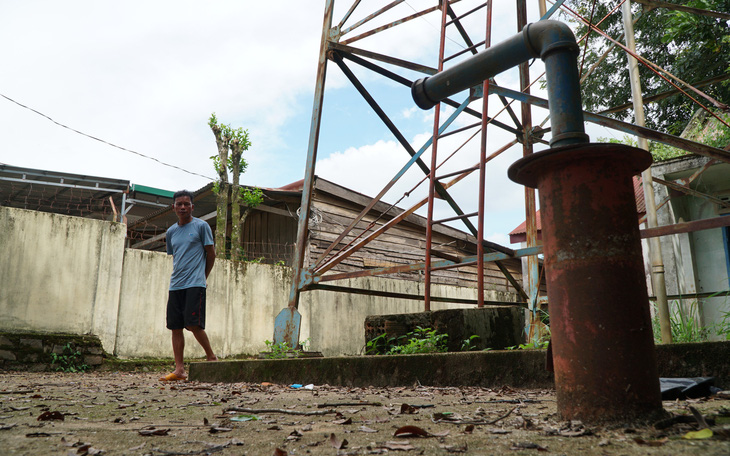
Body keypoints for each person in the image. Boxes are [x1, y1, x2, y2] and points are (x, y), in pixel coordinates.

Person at [159, 190, 217, 381]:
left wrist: (203, 276)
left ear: (192, 207)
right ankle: (179, 369)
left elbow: (211, 254)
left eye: (186, 204)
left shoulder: (202, 227)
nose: (182, 207)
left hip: (195, 283)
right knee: (175, 326)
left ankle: (211, 358)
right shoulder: (171, 232)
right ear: (173, 207)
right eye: (179, 204)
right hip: (176, 285)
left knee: (193, 324)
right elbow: (177, 256)